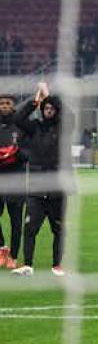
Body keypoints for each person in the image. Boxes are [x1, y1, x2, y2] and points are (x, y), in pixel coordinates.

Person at [12, 82, 74, 277]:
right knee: (30, 228)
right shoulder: (34, 128)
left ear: (56, 110)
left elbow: (69, 115)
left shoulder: (63, 128)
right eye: (45, 108)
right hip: (37, 189)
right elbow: (18, 118)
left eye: (51, 108)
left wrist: (49, 95)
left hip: (58, 188)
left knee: (59, 230)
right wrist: (35, 101)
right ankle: (28, 265)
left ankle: (57, 265)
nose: (48, 111)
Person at [0, 94, 25, 270]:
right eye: (1, 103)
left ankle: (14, 257)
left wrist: (15, 154)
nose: (4, 106)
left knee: (16, 221)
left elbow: (29, 153)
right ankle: (2, 248)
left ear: (14, 106)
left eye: (8, 103)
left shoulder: (21, 126)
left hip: (16, 179)